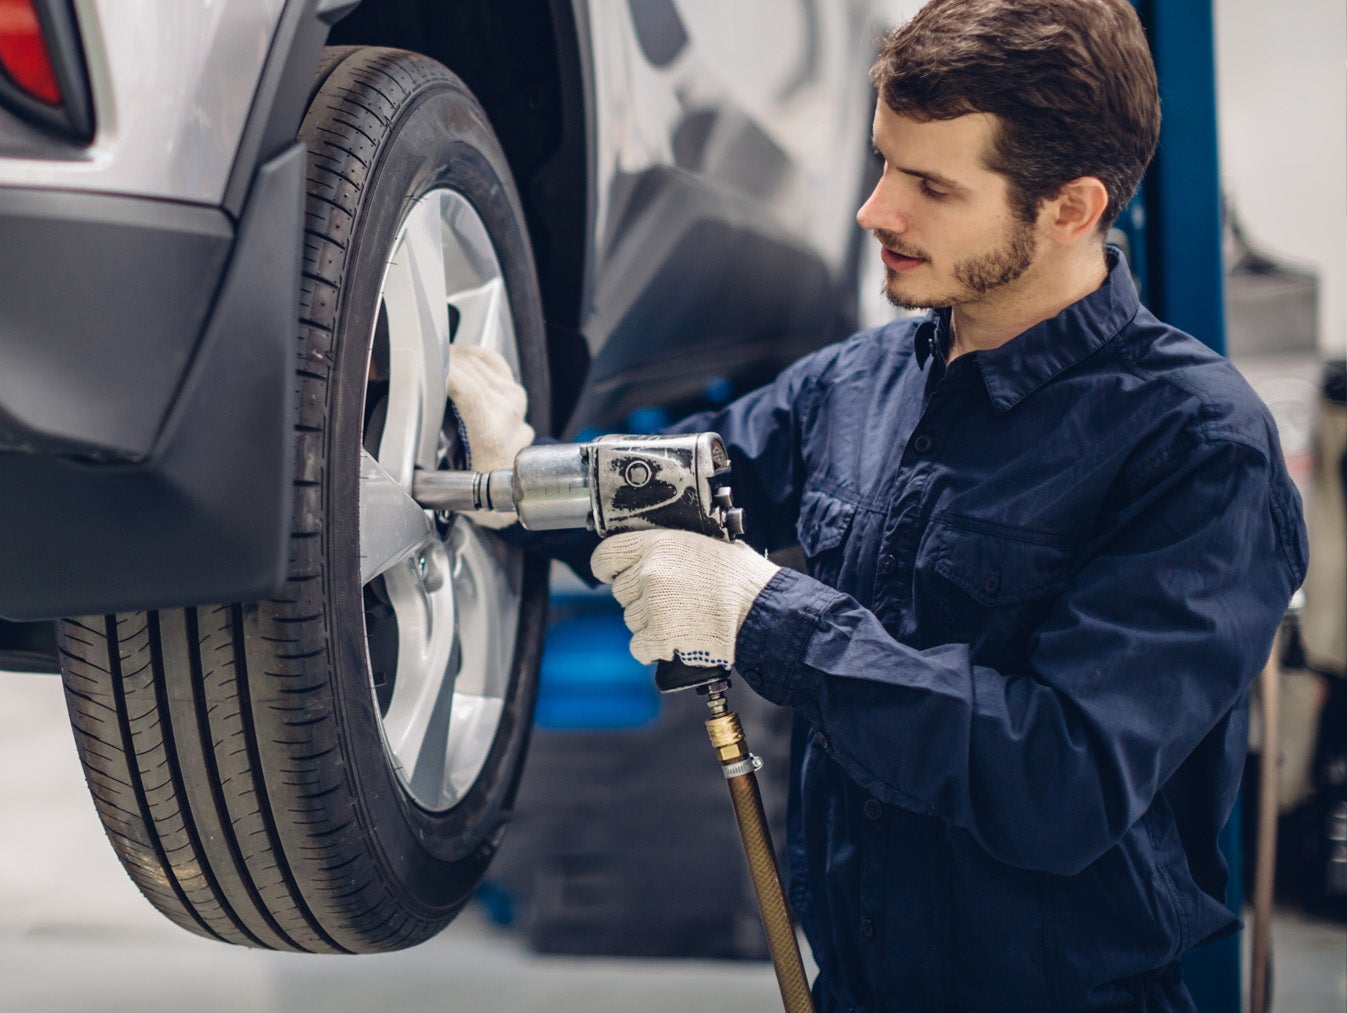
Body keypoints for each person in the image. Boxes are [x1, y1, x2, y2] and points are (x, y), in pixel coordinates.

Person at [449, 0, 1307, 1007]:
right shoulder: (855, 383)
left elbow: (1059, 779)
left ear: (1070, 208)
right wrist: (522, 472)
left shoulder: (1198, 446)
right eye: (884, 163)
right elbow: (684, 498)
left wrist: (763, 613)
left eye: (932, 186)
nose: (876, 211)